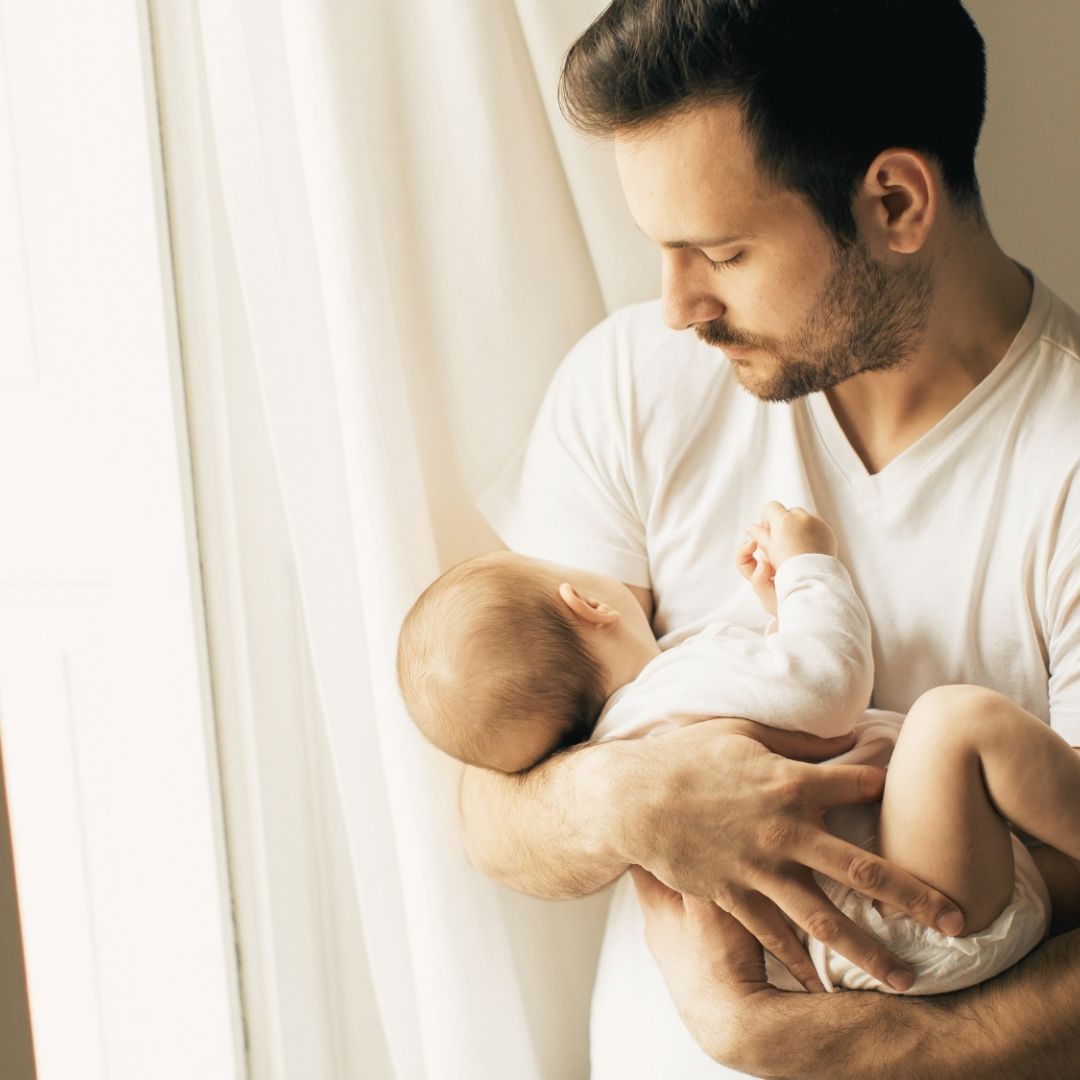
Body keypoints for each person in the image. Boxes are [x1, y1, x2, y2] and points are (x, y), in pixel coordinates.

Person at [462, 0, 1080, 1075]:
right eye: (662, 251)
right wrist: (629, 798)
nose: (676, 307)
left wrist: (788, 1044)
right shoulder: (632, 384)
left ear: (893, 201)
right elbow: (494, 803)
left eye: (723, 252)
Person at [402, 504, 1077, 997]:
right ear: (585, 601)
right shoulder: (670, 688)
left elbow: (767, 687)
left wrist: (776, 611)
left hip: (864, 957)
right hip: (911, 908)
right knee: (953, 721)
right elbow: (826, 688)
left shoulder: (636, 729)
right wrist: (812, 568)